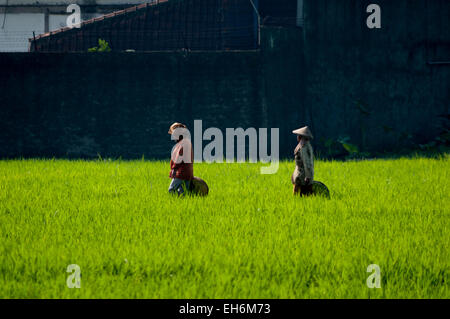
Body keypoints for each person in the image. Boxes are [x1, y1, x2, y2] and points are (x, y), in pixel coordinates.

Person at [168, 122, 194, 196]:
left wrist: (173, 169)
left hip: (181, 173)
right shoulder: (186, 142)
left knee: (171, 190)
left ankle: (173, 204)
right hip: (188, 173)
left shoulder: (182, 144)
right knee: (183, 193)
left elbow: (177, 160)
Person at [291, 126, 314, 196]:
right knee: (303, 195)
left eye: (298, 135)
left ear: (301, 137)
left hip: (302, 175)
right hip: (300, 174)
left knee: (302, 194)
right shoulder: (305, 145)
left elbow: (307, 163)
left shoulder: (303, 147)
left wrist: (307, 176)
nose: (297, 137)